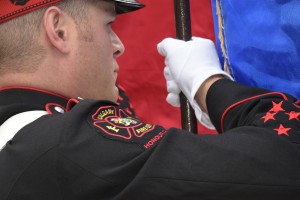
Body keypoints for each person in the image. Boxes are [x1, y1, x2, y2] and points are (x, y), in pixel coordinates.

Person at [0, 0, 299, 199]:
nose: (118, 46)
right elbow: (289, 158)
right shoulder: (62, 145)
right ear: (59, 31)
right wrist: (208, 84)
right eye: (109, 25)